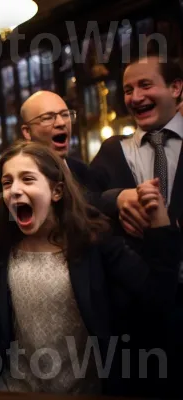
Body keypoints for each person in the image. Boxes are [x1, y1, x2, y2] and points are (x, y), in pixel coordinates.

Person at [0, 141, 180, 395]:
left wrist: (161, 227)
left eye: (27, 179)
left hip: (85, 390)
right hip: (16, 387)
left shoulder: (93, 242)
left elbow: (156, 296)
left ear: (57, 191)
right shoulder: (3, 246)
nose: (14, 190)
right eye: (7, 183)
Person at [89, 54, 183, 398]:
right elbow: (81, 197)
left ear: (175, 88)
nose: (134, 96)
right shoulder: (114, 150)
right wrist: (117, 197)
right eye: (128, 89)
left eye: (145, 84)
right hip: (133, 317)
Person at [20, 90, 97, 191]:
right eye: (47, 118)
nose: (61, 123)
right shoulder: (18, 180)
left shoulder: (83, 172)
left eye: (65, 115)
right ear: (27, 132)